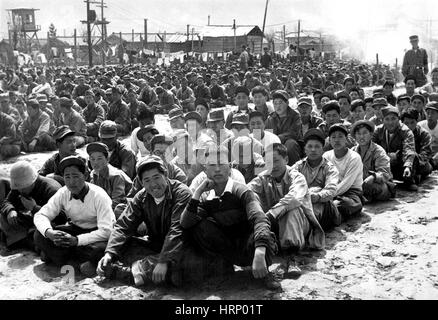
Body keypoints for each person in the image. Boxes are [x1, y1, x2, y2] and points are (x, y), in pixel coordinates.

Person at [181, 146, 280, 290]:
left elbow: (260, 219)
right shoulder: (206, 196)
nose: (217, 169)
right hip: (227, 249)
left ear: (230, 167)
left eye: (221, 164)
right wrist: (197, 193)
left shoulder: (242, 190)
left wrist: (259, 252)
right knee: (199, 227)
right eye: (212, 165)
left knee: (265, 235)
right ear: (205, 170)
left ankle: (265, 273)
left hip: (249, 246)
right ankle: (223, 269)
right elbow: (185, 223)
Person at [96, 155, 192, 286]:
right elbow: (123, 226)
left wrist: (163, 260)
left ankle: (130, 273)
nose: (153, 184)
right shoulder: (141, 197)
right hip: (156, 244)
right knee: (117, 247)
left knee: (182, 264)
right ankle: (136, 270)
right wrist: (109, 254)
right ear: (141, 182)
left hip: (182, 245)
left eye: (156, 177)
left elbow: (177, 230)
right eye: (147, 180)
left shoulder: (182, 193)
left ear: (165, 175)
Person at [33, 156, 115, 276]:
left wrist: (77, 241)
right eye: (67, 177)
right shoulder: (63, 192)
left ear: (86, 176)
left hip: (96, 234)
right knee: (39, 234)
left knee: (99, 250)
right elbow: (41, 215)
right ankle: (75, 262)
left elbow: (107, 231)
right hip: (75, 230)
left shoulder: (99, 196)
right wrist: (50, 233)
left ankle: (61, 258)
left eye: (76, 176)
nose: (71, 182)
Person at [248, 142, 325, 255]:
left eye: (276, 161)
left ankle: (291, 256)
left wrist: (270, 214)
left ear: (286, 160)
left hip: (300, 226)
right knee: (251, 197)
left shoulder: (297, 177)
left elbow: (293, 198)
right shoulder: (263, 177)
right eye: (268, 162)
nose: (273, 166)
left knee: (292, 209)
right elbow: (247, 189)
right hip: (275, 223)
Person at [0, 161, 63, 248]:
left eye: (22, 188)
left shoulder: (51, 189)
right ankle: (27, 240)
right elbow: (7, 201)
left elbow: (61, 218)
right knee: (3, 216)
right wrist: (10, 210)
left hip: (48, 223)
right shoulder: (21, 186)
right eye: (18, 188)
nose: (20, 191)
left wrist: (34, 208)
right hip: (32, 220)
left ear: (32, 182)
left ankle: (30, 243)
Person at [292, 129, 341, 231]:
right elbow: (289, 182)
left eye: (317, 146)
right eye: (310, 146)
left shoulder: (330, 168)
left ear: (322, 149)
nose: (313, 150)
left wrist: (317, 196)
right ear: (305, 149)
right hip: (302, 203)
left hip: (324, 208)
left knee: (316, 190)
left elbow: (331, 190)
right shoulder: (298, 166)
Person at [372, 106, 418, 191]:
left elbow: (409, 149)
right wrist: (384, 156)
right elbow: (371, 146)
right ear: (383, 120)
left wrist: (407, 166)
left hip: (400, 163)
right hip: (384, 162)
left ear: (398, 119)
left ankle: (409, 180)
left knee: (413, 156)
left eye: (393, 119)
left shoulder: (406, 131)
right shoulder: (378, 130)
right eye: (387, 119)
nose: (390, 122)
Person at [323, 124, 363, 219]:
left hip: (351, 191)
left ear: (346, 139)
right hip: (331, 191)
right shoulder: (326, 156)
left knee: (347, 204)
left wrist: (326, 196)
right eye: (333, 137)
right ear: (329, 140)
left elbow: (346, 184)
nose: (337, 140)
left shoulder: (354, 157)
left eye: (340, 136)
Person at [351, 120, 395, 202]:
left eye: (364, 133)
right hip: (359, 185)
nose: (361, 136)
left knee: (372, 186)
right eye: (358, 134)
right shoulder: (352, 151)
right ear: (355, 136)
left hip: (378, 184)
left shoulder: (378, 150)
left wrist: (373, 177)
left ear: (371, 135)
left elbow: (385, 173)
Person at [87, 142, 133, 210]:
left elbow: (117, 201)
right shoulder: (93, 174)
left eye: (99, 158)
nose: (95, 162)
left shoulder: (116, 175)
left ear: (107, 159)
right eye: (92, 159)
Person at [265, 90, 303, 165]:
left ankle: (293, 168)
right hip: (275, 143)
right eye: (275, 103)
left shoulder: (295, 116)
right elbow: (268, 134)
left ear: (287, 103)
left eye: (280, 103)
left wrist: (278, 138)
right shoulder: (271, 118)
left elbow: (294, 133)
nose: (278, 106)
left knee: (290, 144)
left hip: (293, 144)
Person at [401, 108, 433, 182]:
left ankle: (414, 175)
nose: (409, 126)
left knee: (427, 167)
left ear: (417, 121)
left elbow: (425, 155)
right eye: (406, 123)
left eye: (412, 122)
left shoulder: (424, 134)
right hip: (402, 161)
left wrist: (412, 159)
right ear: (402, 122)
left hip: (420, 163)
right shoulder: (399, 132)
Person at [418, 101, 438, 169]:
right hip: (424, 154)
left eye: (433, 113)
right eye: (428, 113)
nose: (429, 116)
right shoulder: (420, 125)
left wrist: (435, 158)